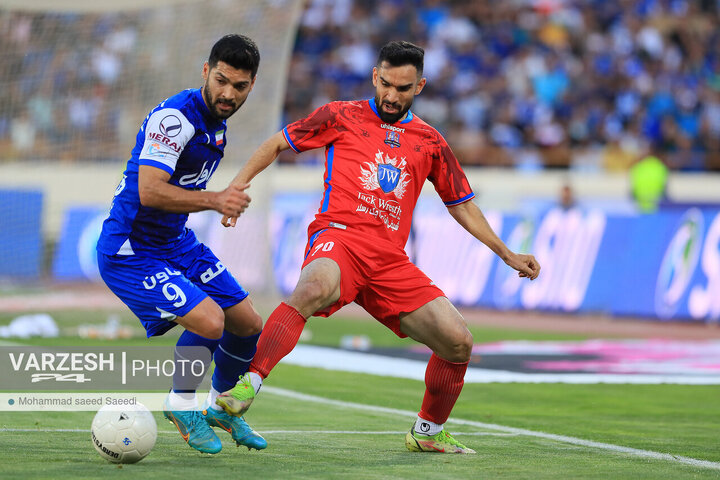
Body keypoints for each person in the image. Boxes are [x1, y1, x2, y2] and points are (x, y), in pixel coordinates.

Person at [217, 41, 541, 454]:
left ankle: (427, 432)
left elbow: (462, 204)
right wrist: (238, 185)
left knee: (458, 341)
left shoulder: (430, 142)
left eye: (403, 89)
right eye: (386, 84)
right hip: (340, 239)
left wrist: (508, 253)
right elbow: (278, 143)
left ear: (419, 86)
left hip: (389, 262)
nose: (391, 95)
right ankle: (247, 386)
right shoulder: (341, 115)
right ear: (375, 76)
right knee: (312, 289)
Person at [96, 34, 267, 454]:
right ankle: (180, 403)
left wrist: (218, 200)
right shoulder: (174, 118)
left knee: (248, 324)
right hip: (130, 249)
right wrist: (216, 200)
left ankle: (222, 408)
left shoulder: (217, 122)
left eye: (239, 86)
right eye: (222, 80)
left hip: (175, 242)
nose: (228, 93)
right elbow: (151, 191)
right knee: (211, 322)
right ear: (206, 71)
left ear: (251, 86)